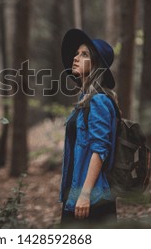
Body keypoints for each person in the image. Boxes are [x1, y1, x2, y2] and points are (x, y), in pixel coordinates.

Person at [59, 28, 118, 228]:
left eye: (84, 54)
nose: (75, 58)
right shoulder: (84, 100)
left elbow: (100, 150)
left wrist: (84, 196)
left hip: (92, 199)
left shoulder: (99, 100)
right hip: (78, 194)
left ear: (95, 65)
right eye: (76, 53)